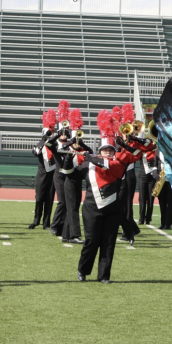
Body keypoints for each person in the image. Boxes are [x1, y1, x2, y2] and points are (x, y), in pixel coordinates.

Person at [72, 111, 128, 283]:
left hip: (112, 208)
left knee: (109, 243)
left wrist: (88, 156)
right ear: (100, 151)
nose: (107, 153)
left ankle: (104, 276)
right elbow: (68, 172)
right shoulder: (89, 164)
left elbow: (108, 165)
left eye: (110, 150)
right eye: (104, 150)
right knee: (91, 241)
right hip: (91, 207)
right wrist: (72, 155)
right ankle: (83, 270)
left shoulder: (118, 165)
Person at [29, 122, 56, 230]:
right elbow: (35, 152)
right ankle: (36, 221)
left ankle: (46, 223)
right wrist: (44, 140)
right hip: (42, 174)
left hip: (52, 174)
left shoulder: (55, 145)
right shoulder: (40, 145)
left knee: (49, 199)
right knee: (39, 198)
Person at [155, 149, 172, 230]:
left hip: (171, 179)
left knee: (170, 202)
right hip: (160, 180)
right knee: (162, 202)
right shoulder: (157, 152)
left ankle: (168, 223)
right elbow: (154, 164)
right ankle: (163, 223)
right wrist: (155, 174)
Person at [138, 144, 157, 225]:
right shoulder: (142, 152)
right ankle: (141, 218)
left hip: (152, 177)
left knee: (150, 198)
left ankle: (148, 218)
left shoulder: (156, 152)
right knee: (142, 198)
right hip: (142, 176)